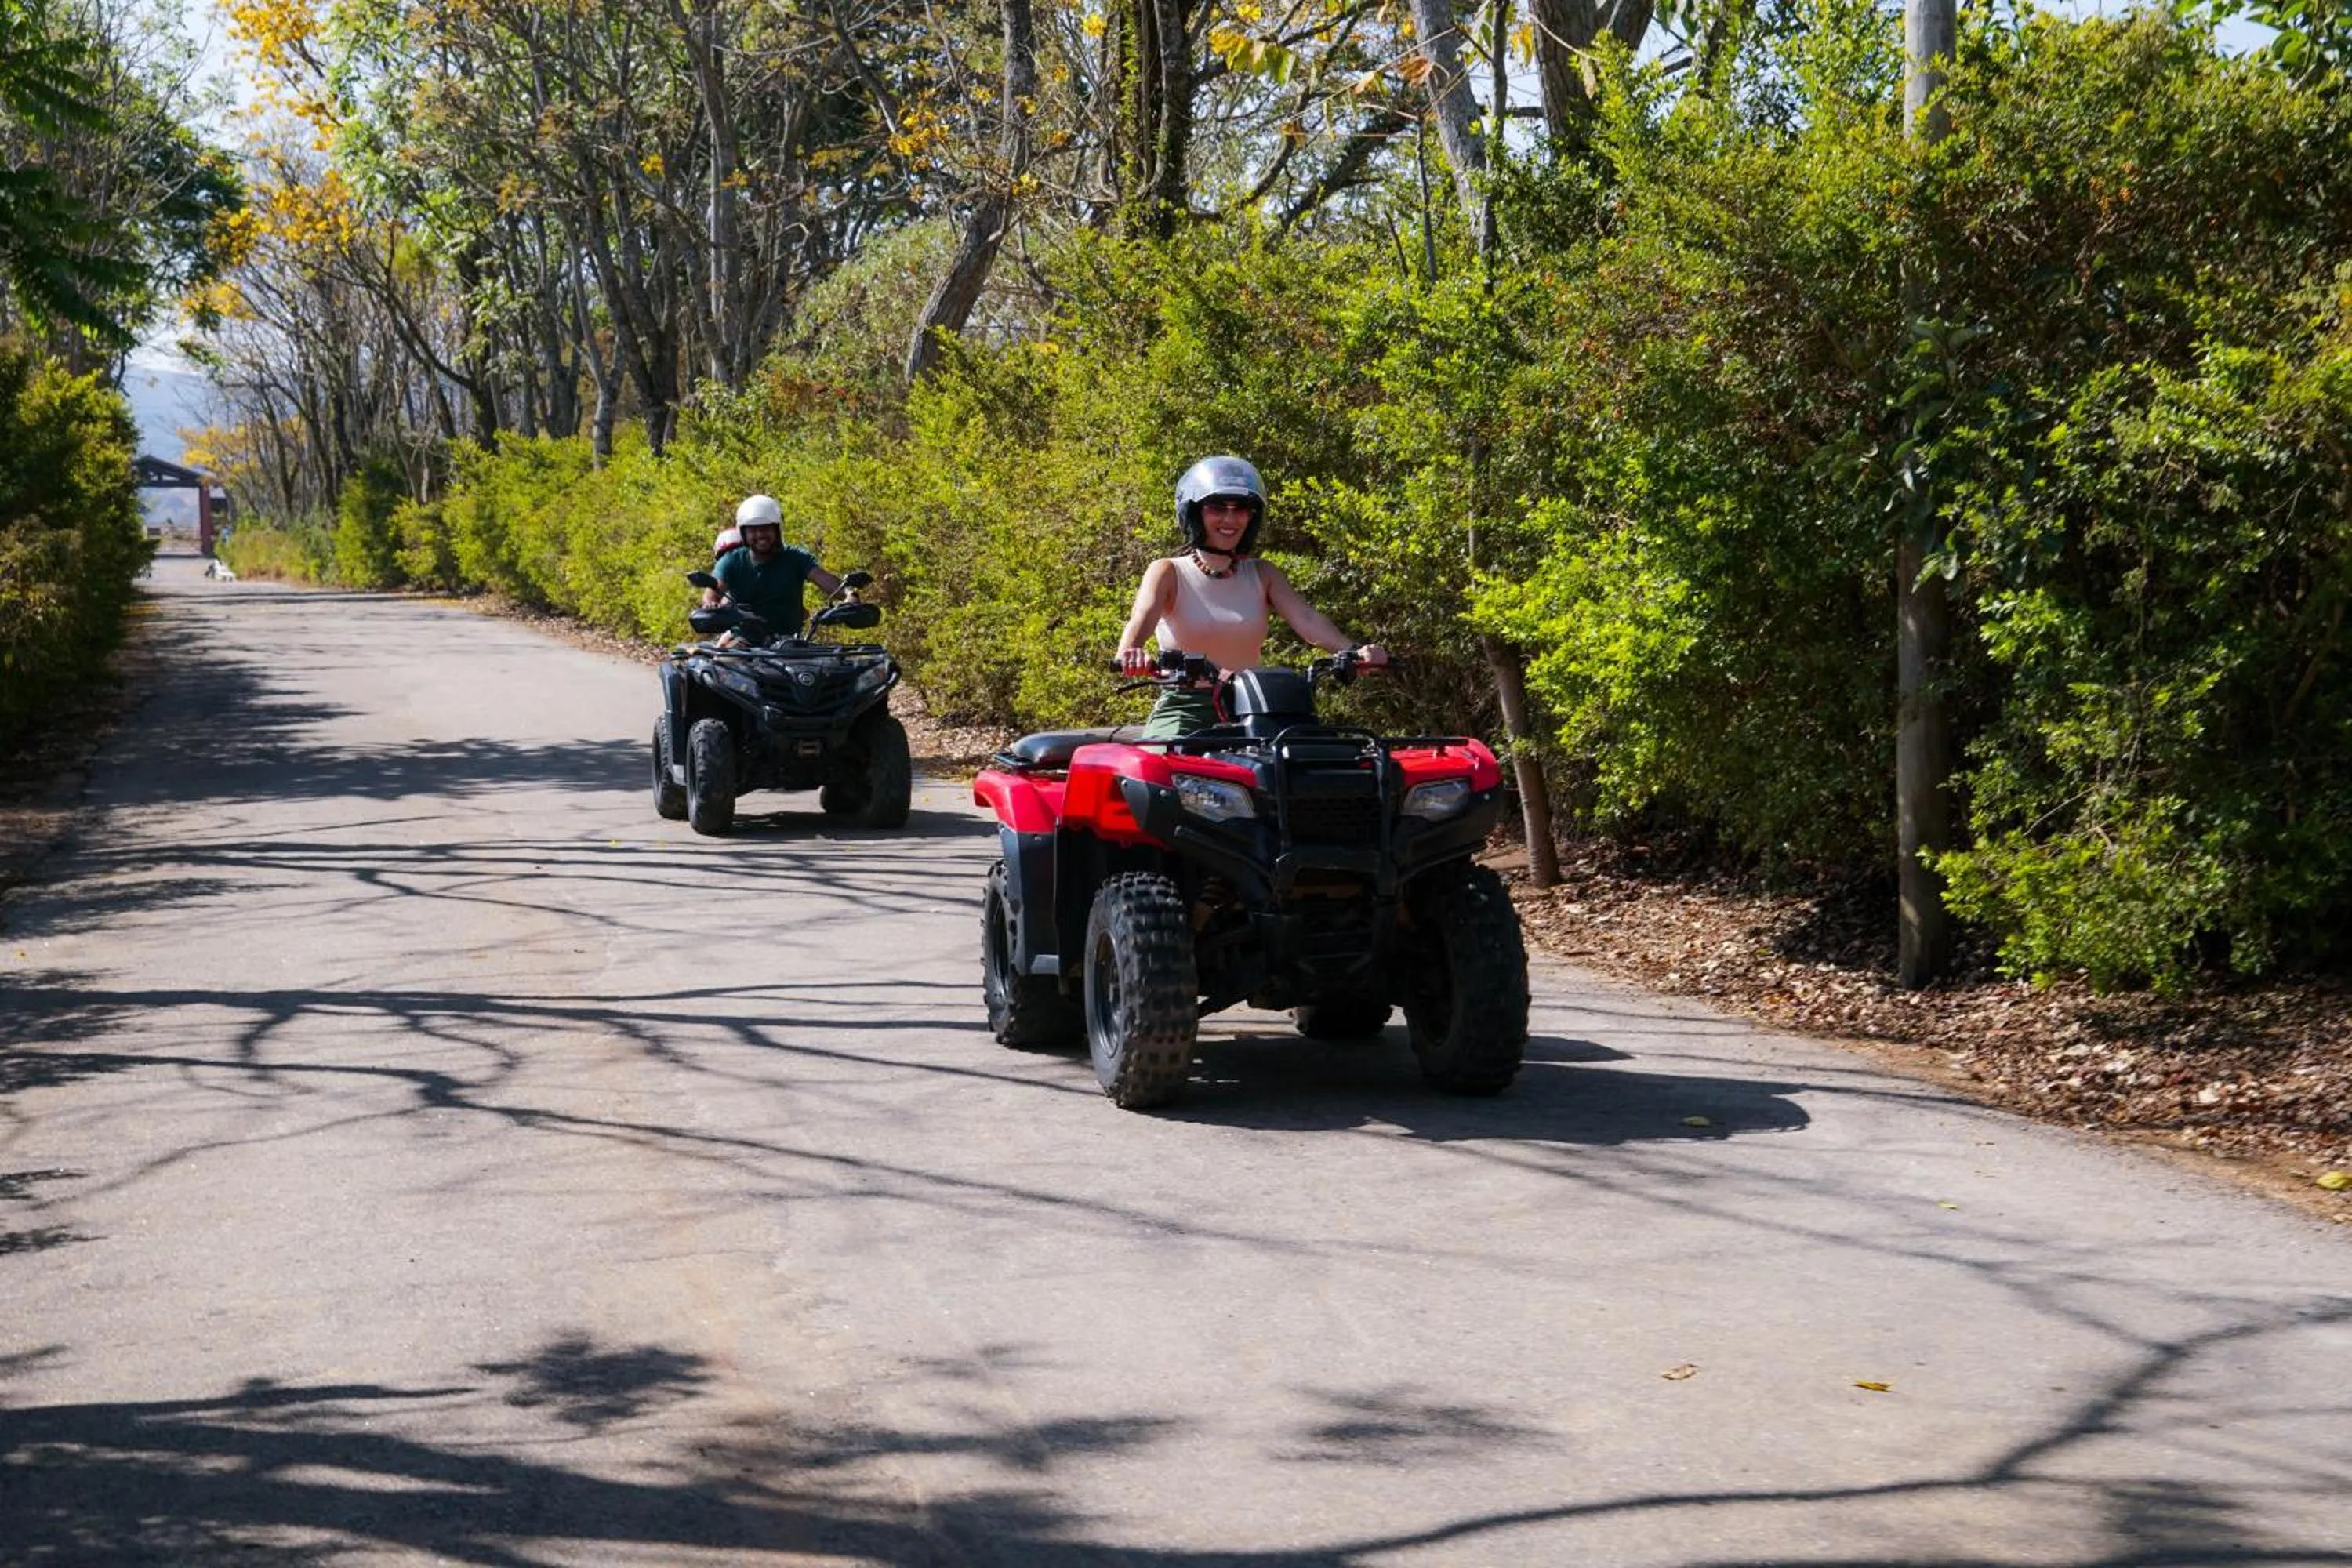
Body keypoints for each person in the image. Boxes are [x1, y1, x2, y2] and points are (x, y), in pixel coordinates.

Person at [1115, 456, 1388, 738]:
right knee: (1159, 770)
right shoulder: (1168, 571)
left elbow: (1307, 619)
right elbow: (1141, 618)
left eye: (1242, 509)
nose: (1230, 519)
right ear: (1194, 512)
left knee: (1302, 764)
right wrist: (1130, 653)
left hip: (1254, 707)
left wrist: (1354, 651)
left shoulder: (1263, 573)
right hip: (1186, 708)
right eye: (1217, 508)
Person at [705, 495, 849, 640]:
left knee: (830, 662)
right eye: (753, 530)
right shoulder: (731, 561)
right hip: (743, 643)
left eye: (766, 528)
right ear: (743, 533)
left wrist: (849, 595)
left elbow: (827, 581)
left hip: (790, 644)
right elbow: (714, 590)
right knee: (726, 660)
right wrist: (711, 604)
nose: (760, 535)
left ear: (777, 530)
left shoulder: (796, 557)